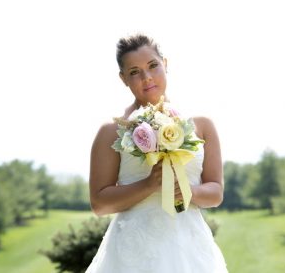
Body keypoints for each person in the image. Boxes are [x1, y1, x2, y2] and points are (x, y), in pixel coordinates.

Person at [86, 34, 228, 273]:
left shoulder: (202, 124)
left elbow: (215, 193)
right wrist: (149, 184)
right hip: (133, 254)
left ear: (165, 63)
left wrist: (186, 191)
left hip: (191, 250)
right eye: (134, 72)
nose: (147, 77)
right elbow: (99, 204)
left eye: (153, 66)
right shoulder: (111, 131)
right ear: (123, 78)